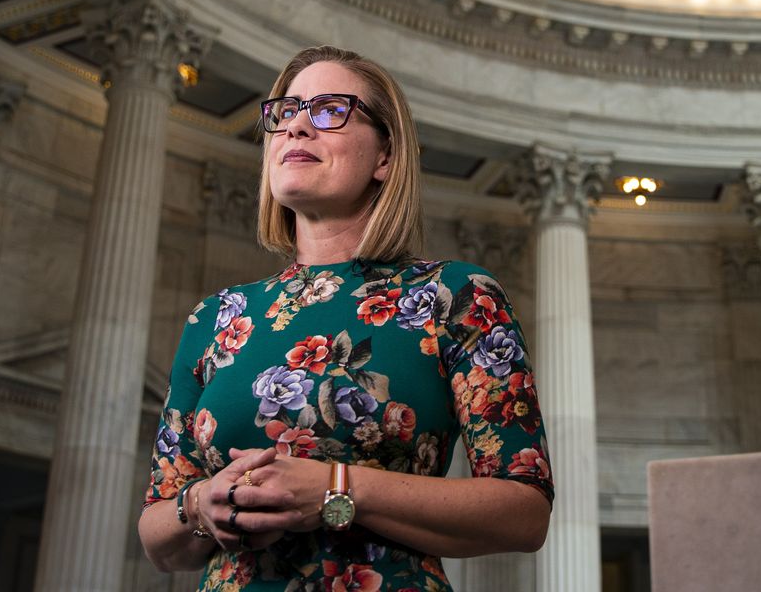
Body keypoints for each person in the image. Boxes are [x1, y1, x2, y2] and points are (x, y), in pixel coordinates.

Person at [138, 45, 553, 590]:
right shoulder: (216, 316)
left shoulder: (456, 296)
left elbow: (524, 511)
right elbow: (157, 537)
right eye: (285, 112)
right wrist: (198, 505)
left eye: (329, 110)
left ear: (385, 156)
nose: (297, 128)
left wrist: (336, 488)